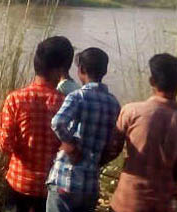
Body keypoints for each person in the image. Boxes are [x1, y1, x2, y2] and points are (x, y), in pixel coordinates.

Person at [0, 36, 73, 212]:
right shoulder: (67, 103)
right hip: (49, 188)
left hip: (18, 183)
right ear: (59, 70)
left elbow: (4, 145)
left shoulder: (15, 99)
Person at [103, 53, 177, 212]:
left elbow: (112, 150)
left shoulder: (132, 111)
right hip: (162, 204)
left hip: (127, 201)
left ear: (152, 81)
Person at [45, 47, 121, 212]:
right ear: (105, 71)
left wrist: (70, 145)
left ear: (81, 70)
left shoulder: (77, 96)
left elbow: (57, 122)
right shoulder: (113, 103)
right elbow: (111, 144)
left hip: (66, 181)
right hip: (90, 186)